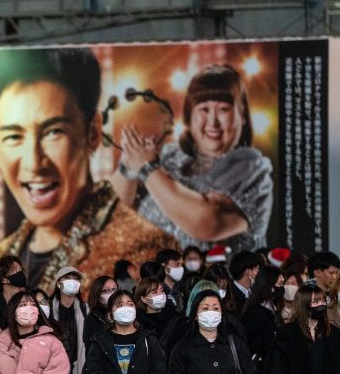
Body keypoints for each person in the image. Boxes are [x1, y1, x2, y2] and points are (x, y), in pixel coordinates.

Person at [0, 48, 174, 286]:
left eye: (53, 132)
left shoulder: (142, 250)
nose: (34, 163)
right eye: (14, 137)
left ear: (92, 133)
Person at [113, 64, 273, 252]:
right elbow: (114, 213)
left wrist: (148, 169)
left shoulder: (252, 171)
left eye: (223, 109)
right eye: (204, 109)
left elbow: (207, 223)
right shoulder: (169, 157)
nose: (212, 122)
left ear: (242, 117)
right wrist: (130, 161)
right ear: (189, 117)